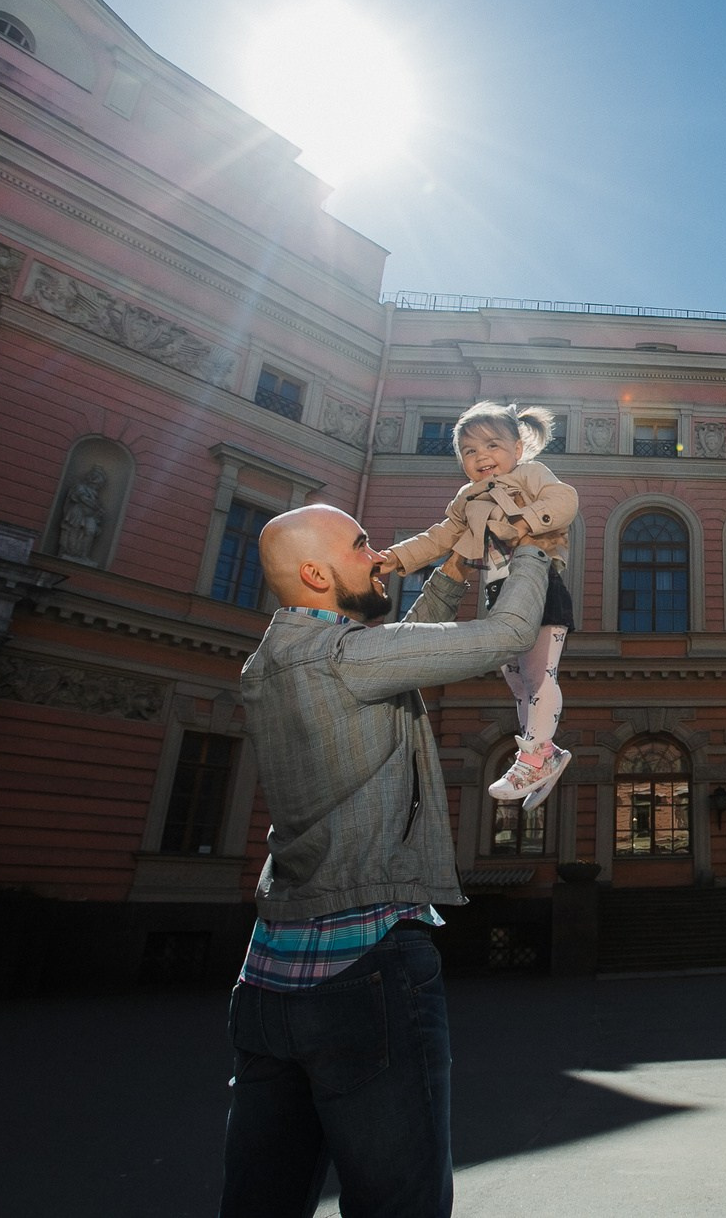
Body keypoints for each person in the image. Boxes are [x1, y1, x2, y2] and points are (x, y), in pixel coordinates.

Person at [222, 503, 550, 1218]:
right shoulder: (346, 661)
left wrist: (454, 568)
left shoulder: (268, 663)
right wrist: (535, 546)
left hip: (269, 977)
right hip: (364, 971)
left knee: (259, 1204)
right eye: (361, 544)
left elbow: (395, 650)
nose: (380, 555)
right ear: (315, 571)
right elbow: (511, 634)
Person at [383, 402, 579, 808]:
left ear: (518, 449)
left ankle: (535, 754)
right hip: (499, 597)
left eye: (492, 445)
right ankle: (545, 755)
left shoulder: (530, 475)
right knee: (518, 682)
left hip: (541, 585)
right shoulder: (466, 498)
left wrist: (528, 521)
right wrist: (397, 557)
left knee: (539, 674)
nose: (481, 456)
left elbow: (564, 499)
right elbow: (440, 537)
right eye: (469, 451)